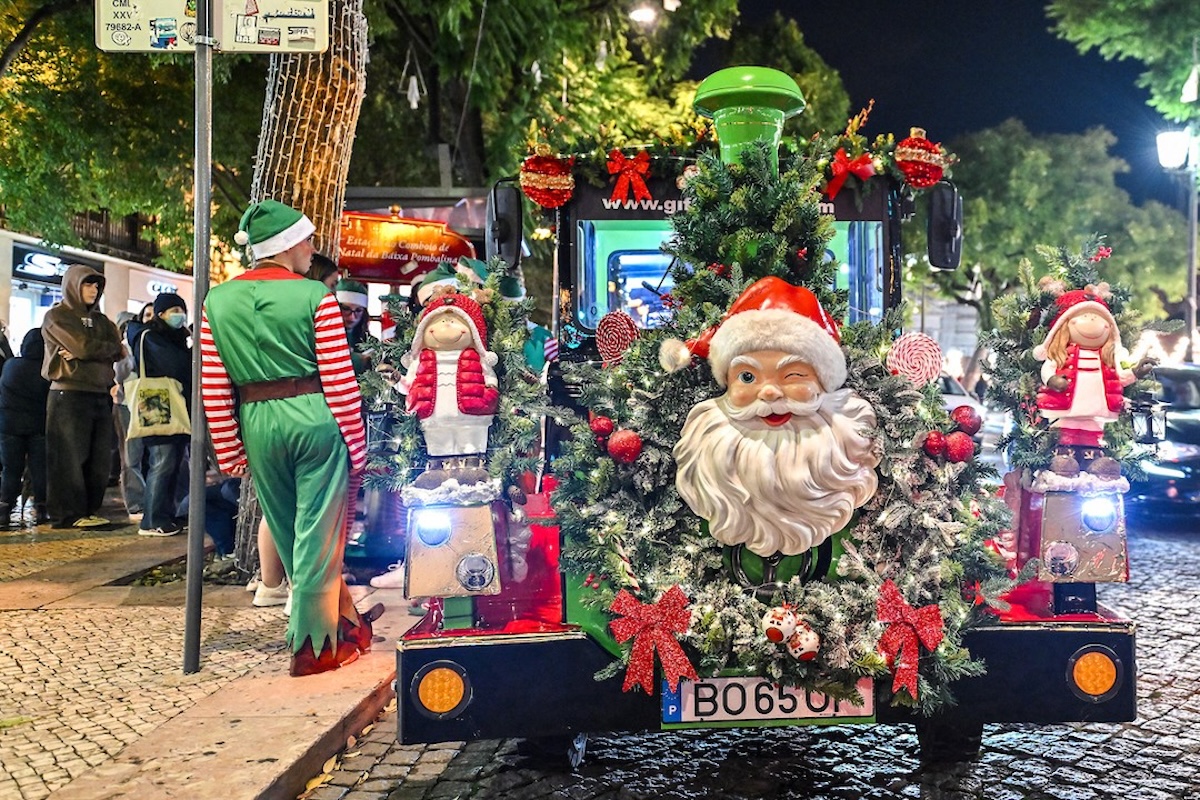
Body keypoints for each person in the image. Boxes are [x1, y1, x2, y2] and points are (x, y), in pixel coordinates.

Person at [201, 199, 379, 677]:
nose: (312, 249)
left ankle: (346, 625)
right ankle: (314, 650)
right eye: (309, 241)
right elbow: (338, 378)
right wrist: (357, 443)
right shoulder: (313, 297)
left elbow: (215, 383)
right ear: (290, 245)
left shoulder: (216, 301)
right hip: (314, 416)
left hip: (258, 421)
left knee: (288, 530)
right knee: (319, 537)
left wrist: (229, 445)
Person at [666, 276, 880, 558]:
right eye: (747, 376)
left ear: (823, 384)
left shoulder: (846, 442)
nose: (768, 392)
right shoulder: (707, 452)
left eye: (793, 375)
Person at [40, 265, 124, 529]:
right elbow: (83, 346)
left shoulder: (102, 321)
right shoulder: (56, 316)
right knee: (68, 457)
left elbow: (117, 348)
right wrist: (99, 350)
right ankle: (67, 513)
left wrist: (92, 351)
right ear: (73, 285)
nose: (94, 289)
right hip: (68, 392)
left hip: (99, 393)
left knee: (99, 459)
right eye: (88, 284)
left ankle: (87, 510)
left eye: (97, 285)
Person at [130, 293, 192, 537]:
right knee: (163, 460)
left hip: (175, 403)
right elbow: (177, 365)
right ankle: (152, 519)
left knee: (173, 461)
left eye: (181, 309)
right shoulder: (149, 336)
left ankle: (166, 515)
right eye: (173, 309)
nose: (179, 314)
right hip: (158, 402)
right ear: (160, 313)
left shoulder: (175, 337)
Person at [0, 328, 51, 527]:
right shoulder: (45, 369)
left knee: (11, 469)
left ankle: (4, 510)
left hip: (8, 425)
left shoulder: (11, 365)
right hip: (38, 426)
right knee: (39, 469)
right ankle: (42, 509)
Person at [112, 312, 145, 520]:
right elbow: (118, 377)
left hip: (142, 403)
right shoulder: (122, 349)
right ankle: (135, 503)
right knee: (131, 455)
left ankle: (141, 500)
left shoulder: (145, 343)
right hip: (126, 404)